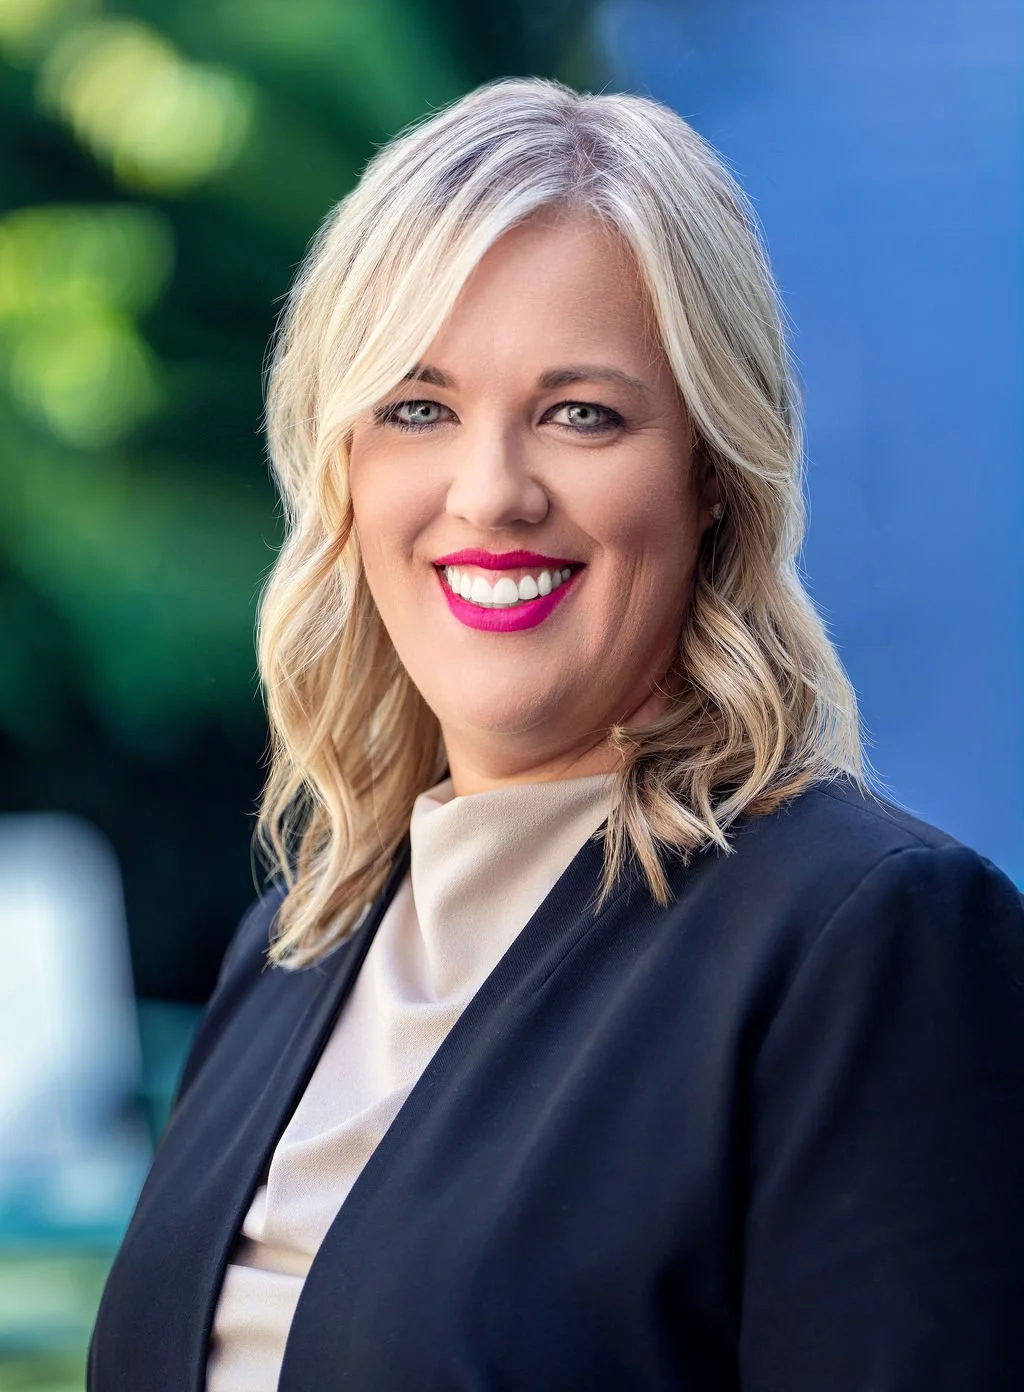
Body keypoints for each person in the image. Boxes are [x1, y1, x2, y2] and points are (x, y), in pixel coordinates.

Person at [88, 78, 1024, 1391]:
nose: (491, 493)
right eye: (418, 408)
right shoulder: (295, 943)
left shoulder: (867, 943)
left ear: (710, 472)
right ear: (341, 464)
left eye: (582, 412)